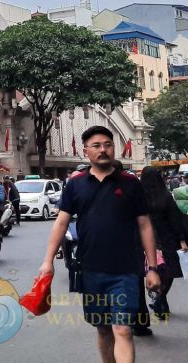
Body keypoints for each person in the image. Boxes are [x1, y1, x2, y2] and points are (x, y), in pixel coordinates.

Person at [38, 126, 161, 363]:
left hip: (126, 271)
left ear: (114, 148)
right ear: (86, 151)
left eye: (107, 144)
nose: (103, 150)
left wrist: (153, 268)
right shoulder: (76, 184)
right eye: (96, 146)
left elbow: (145, 225)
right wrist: (47, 262)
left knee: (123, 329)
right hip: (91, 270)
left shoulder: (130, 183)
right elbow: (61, 223)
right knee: (103, 329)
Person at [139, 166, 188, 319]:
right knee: (169, 271)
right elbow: (175, 220)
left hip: (145, 239)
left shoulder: (138, 198)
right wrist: (182, 239)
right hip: (166, 239)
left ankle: (161, 301)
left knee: (155, 270)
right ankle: (160, 299)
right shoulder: (165, 196)